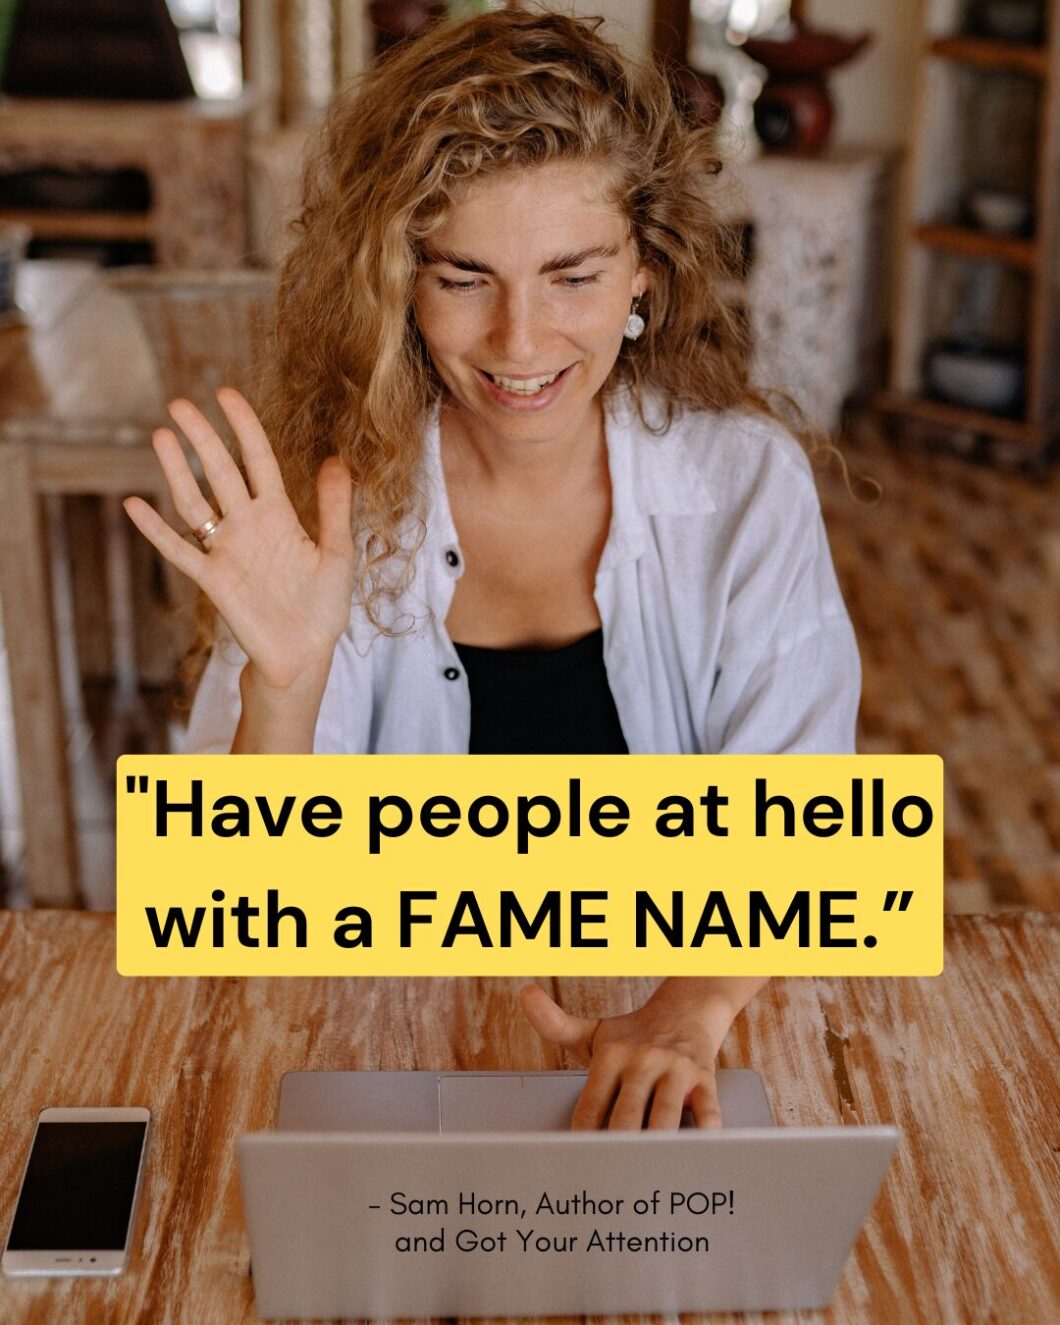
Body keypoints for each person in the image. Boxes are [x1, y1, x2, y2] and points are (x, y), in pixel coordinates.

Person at [124, 6, 860, 1131]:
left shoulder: (744, 487)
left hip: (679, 1044)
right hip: (382, 1052)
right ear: (401, 286)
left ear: (643, 277)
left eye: (572, 275)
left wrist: (689, 1006)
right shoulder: (337, 502)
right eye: (464, 277)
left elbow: (797, 821)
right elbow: (236, 906)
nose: (521, 342)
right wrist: (287, 680)